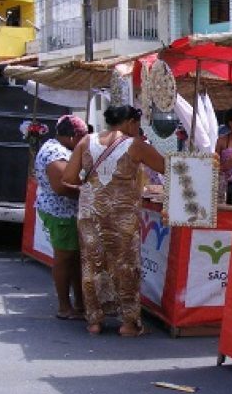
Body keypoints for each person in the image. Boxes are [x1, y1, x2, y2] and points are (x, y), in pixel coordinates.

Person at [62, 105, 165, 337]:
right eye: (137, 125)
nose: (138, 130)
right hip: (122, 215)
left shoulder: (86, 141)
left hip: (90, 213)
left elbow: (68, 177)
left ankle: (94, 321)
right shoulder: (135, 145)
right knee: (125, 265)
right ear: (129, 122)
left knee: (92, 265)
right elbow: (167, 167)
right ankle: (128, 323)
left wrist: (93, 187)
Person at [35, 115, 88, 321]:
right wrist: (90, 192)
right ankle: (65, 307)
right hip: (61, 213)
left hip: (63, 211)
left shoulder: (56, 148)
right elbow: (61, 187)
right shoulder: (56, 153)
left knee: (72, 258)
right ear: (73, 137)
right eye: (82, 137)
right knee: (65, 259)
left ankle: (79, 303)